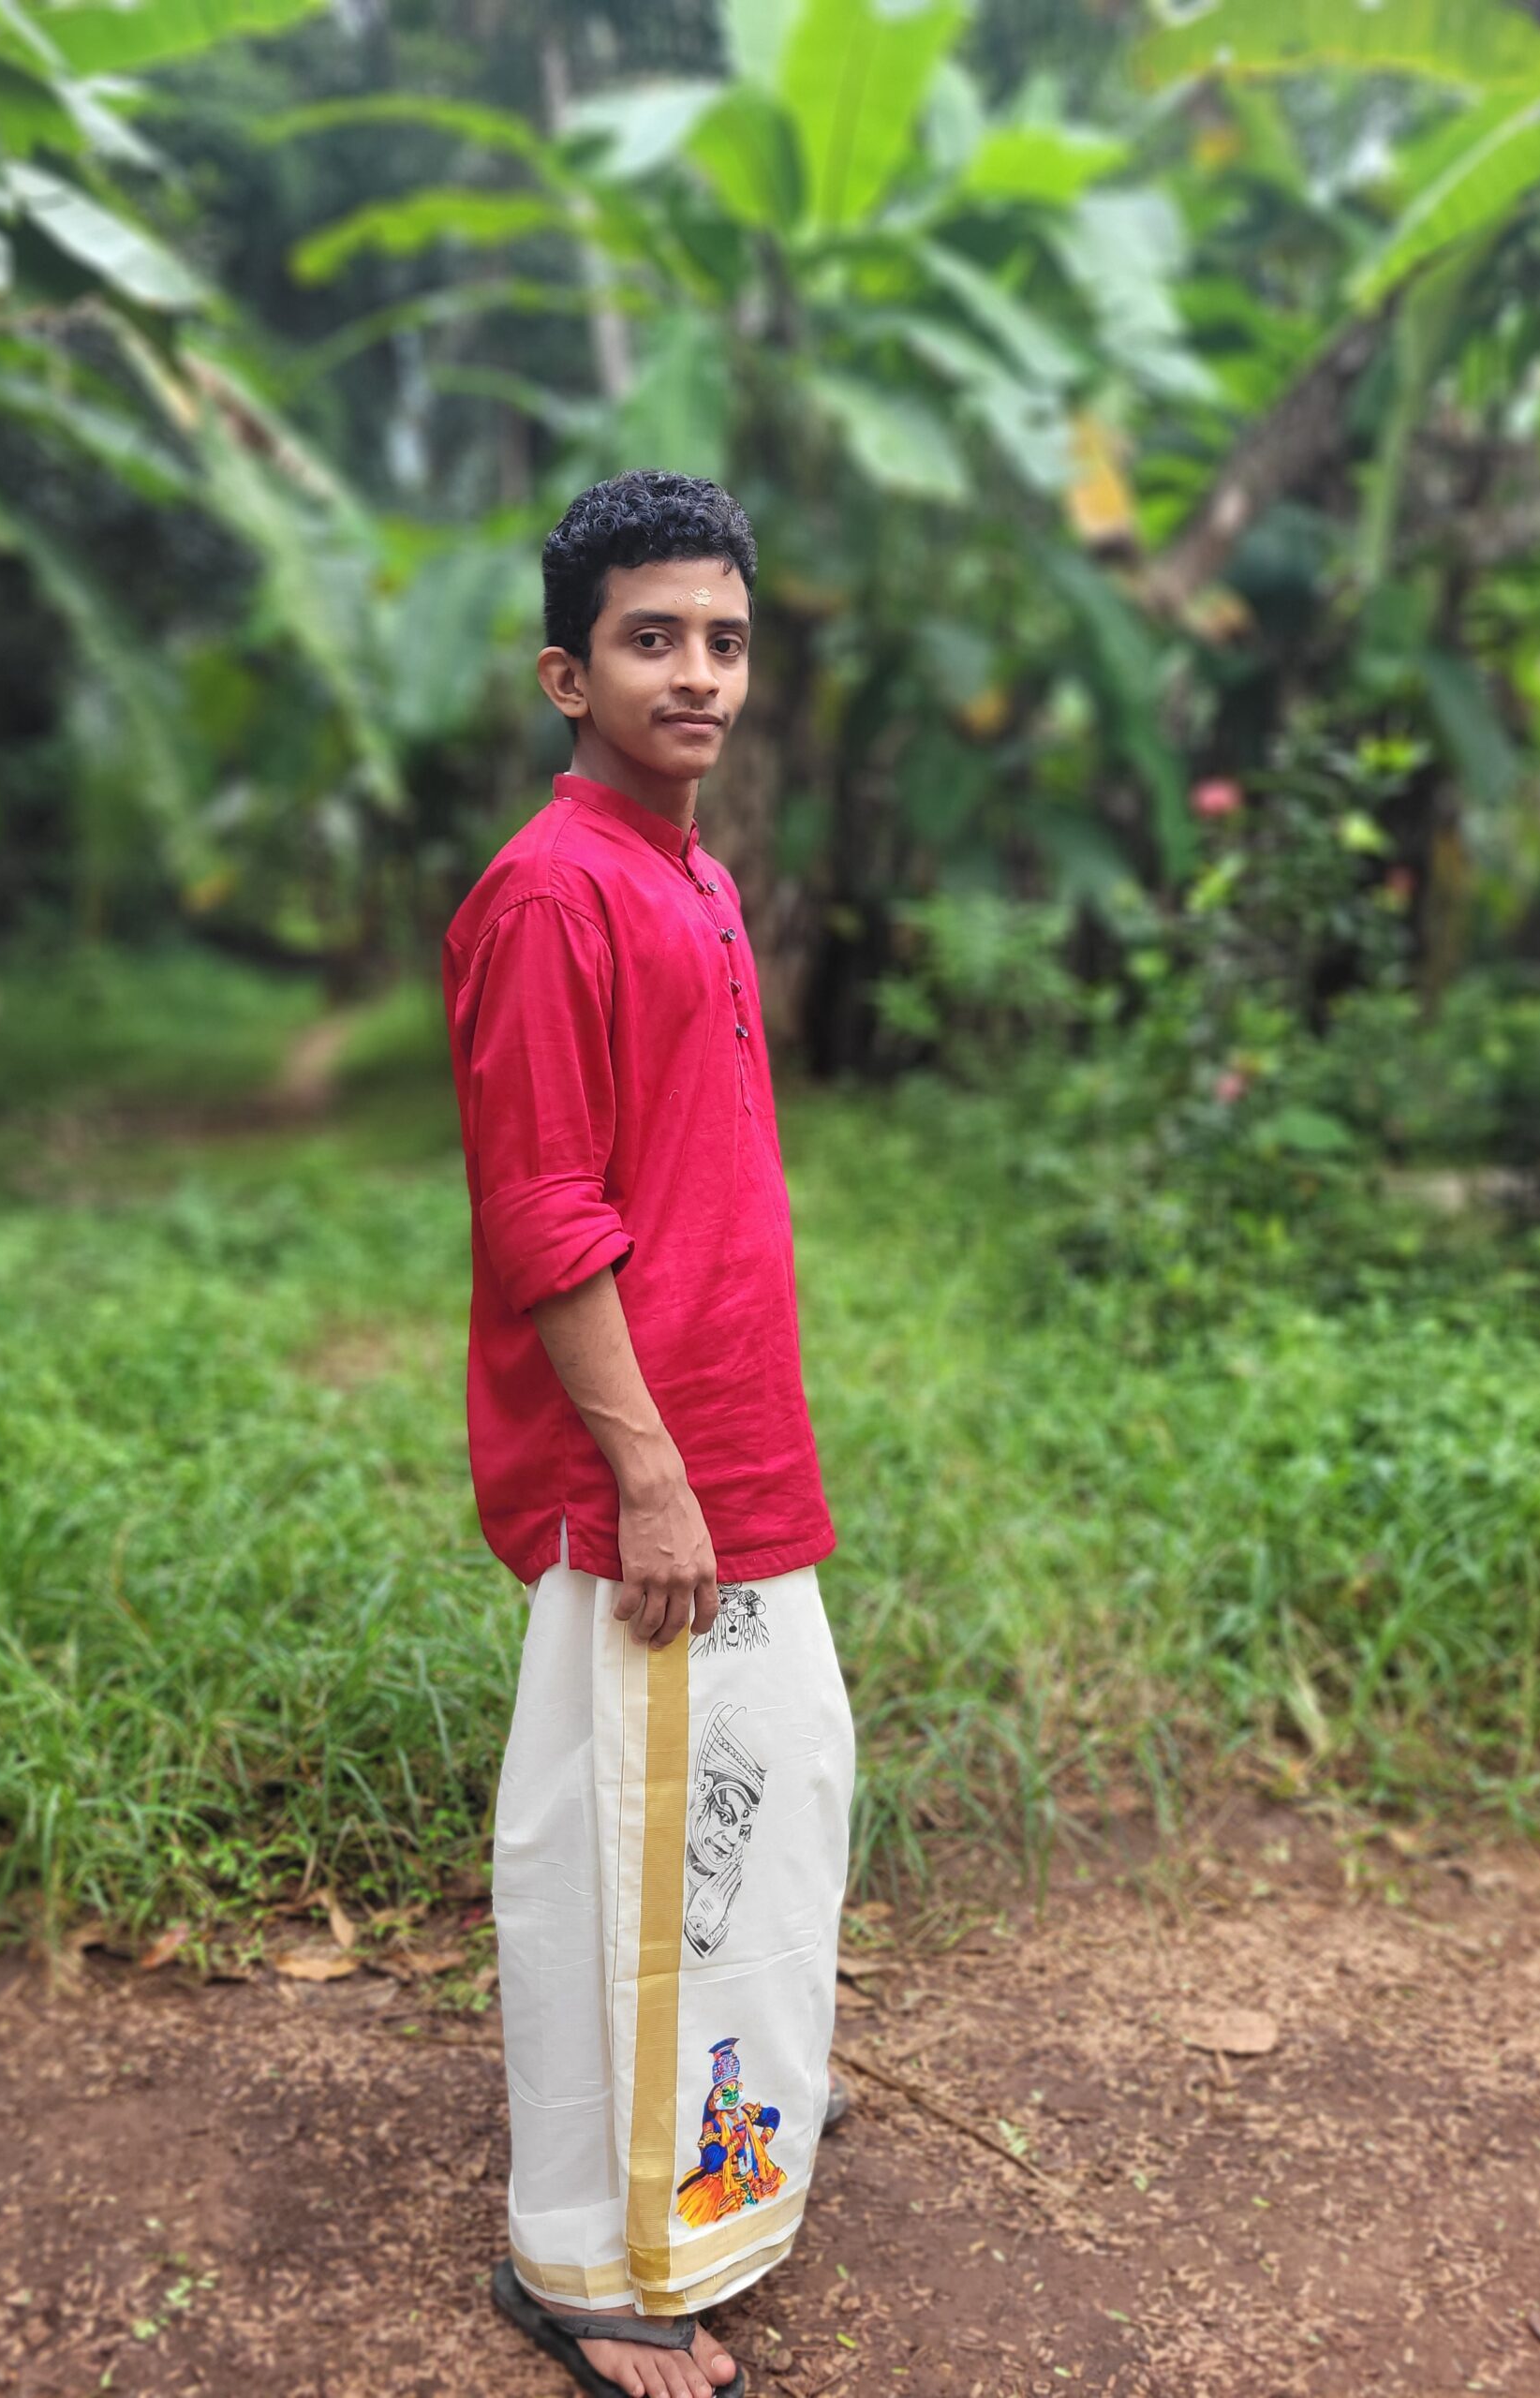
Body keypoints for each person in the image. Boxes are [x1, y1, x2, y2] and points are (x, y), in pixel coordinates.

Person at [441, 469, 856, 2398]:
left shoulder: (686, 866)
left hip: (740, 1452)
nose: (699, 671)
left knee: (770, 1812)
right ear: (565, 671)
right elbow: (545, 1211)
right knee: (626, 1856)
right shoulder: (549, 892)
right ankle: (589, 2263)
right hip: (654, 1485)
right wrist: (646, 1470)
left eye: (725, 637)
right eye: (652, 637)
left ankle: (730, 2131)